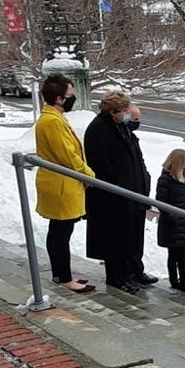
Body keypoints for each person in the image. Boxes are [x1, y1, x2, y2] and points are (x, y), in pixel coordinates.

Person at [84, 91, 151, 293]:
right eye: (124, 111)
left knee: (132, 235)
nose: (127, 114)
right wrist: (120, 183)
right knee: (116, 238)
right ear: (113, 112)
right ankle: (117, 278)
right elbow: (101, 164)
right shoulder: (99, 129)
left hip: (132, 192)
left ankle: (134, 272)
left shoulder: (120, 126)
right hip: (113, 196)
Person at [33, 74, 95, 293]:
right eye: (70, 95)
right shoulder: (51, 121)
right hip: (60, 184)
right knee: (61, 231)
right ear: (59, 98)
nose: (72, 98)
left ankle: (62, 274)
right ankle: (64, 277)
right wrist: (89, 175)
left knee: (60, 230)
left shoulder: (53, 118)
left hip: (61, 182)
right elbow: (67, 156)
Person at [124, 103, 158, 287]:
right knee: (128, 239)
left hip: (139, 196)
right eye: (135, 119)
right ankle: (128, 273)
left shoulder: (132, 137)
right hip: (128, 197)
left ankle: (137, 270)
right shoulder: (121, 137)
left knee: (138, 239)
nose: (137, 123)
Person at [155, 149, 185, 294]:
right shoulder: (166, 179)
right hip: (172, 225)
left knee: (183, 254)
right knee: (174, 253)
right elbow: (161, 203)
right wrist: (175, 218)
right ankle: (175, 281)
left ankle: (184, 282)